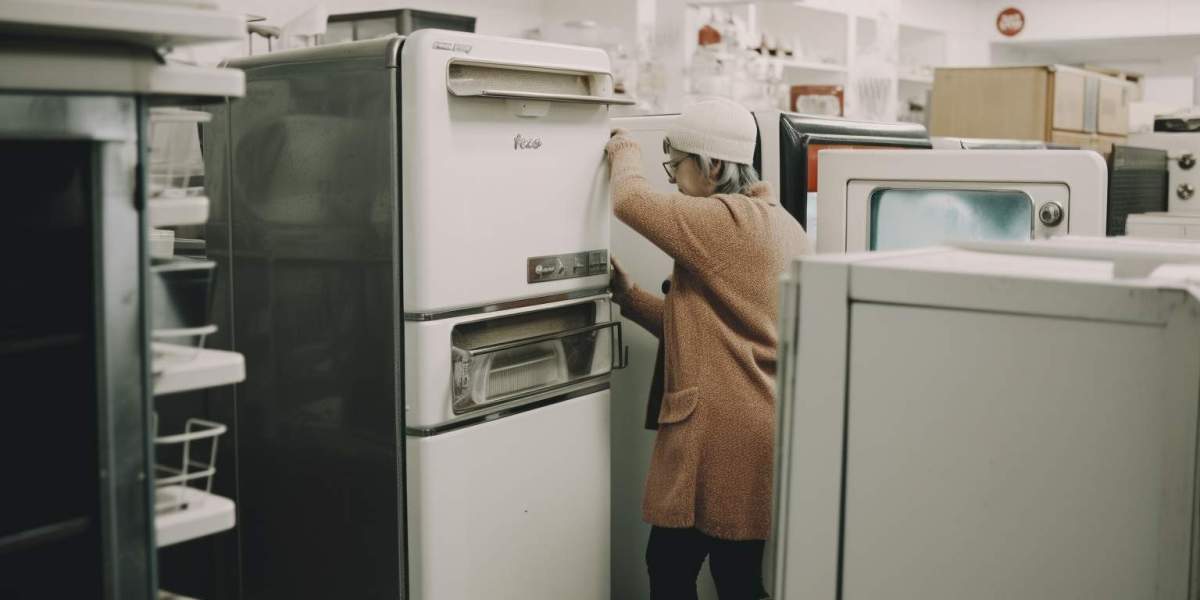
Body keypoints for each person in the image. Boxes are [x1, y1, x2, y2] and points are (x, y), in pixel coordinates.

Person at [606, 98, 809, 600]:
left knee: (675, 568)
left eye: (675, 166)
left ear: (713, 166)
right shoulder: (779, 224)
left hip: (719, 435)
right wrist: (628, 297)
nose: (673, 179)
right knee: (734, 574)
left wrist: (622, 140)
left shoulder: (727, 221)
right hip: (755, 423)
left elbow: (629, 201)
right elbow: (708, 332)